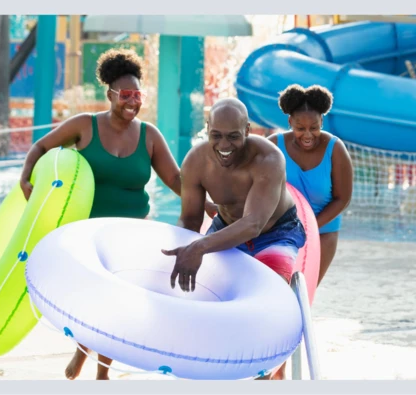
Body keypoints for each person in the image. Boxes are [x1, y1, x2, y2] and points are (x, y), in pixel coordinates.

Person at [18, 48, 216, 380]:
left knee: (115, 302)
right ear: (109, 93)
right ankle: (83, 349)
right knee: (93, 301)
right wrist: (26, 176)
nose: (132, 101)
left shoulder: (149, 135)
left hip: (132, 233)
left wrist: (205, 202)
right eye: (125, 94)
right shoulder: (84, 126)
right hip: (87, 234)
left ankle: (101, 373)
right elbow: (41, 147)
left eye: (138, 95)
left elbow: (174, 179)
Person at [161, 97, 306, 380]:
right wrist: (183, 252)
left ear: (248, 130)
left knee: (269, 295)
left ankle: (264, 372)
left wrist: (200, 246)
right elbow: (190, 219)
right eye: (216, 136)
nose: (224, 146)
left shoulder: (268, 158)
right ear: (207, 128)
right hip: (225, 226)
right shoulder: (195, 160)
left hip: (275, 231)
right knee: (200, 291)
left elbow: (253, 224)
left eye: (233, 137)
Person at [267, 84, 353, 287]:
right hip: (280, 231)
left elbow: (343, 198)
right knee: (278, 288)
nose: (307, 135)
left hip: (322, 232)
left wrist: (309, 226)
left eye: (314, 128)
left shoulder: (335, 149)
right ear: (289, 122)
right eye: (300, 128)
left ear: (322, 121)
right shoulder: (272, 146)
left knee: (304, 289)